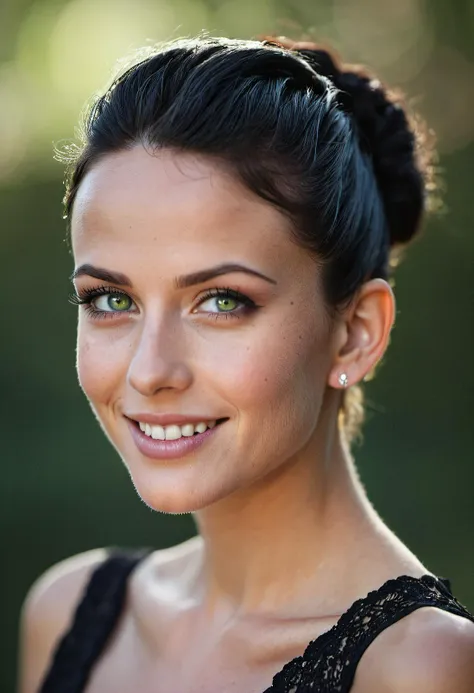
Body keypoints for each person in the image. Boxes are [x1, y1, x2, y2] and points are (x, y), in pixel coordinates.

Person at [19, 35, 474, 693]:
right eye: (111, 299)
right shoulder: (69, 614)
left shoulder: (423, 667)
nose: (151, 371)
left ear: (354, 333)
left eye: (221, 300)